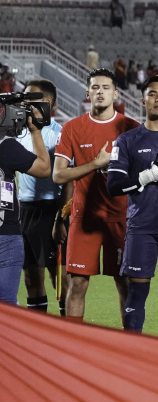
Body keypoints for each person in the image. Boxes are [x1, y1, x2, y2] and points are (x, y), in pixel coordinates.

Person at [106, 75, 158, 340]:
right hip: (141, 228)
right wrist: (149, 175)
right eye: (152, 94)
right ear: (143, 100)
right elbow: (114, 186)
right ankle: (133, 353)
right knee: (137, 292)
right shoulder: (126, 141)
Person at [53, 69, 139, 322]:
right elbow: (58, 176)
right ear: (87, 93)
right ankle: (73, 346)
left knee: (125, 283)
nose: (100, 92)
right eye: (95, 87)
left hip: (121, 217)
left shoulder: (131, 129)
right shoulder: (72, 128)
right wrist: (94, 164)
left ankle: (130, 346)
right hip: (84, 218)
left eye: (105, 87)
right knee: (77, 283)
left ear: (115, 93)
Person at [16, 80, 68, 314]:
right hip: (23, 211)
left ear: (47, 102)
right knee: (31, 278)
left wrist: (61, 219)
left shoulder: (59, 135)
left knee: (59, 278)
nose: (24, 102)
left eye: (30, 98)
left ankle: (69, 333)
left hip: (51, 209)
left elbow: (69, 181)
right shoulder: (19, 132)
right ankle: (40, 335)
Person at [0, 101, 51, 305]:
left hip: (6, 237)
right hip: (6, 236)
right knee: (6, 307)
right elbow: (44, 169)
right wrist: (36, 132)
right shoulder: (5, 145)